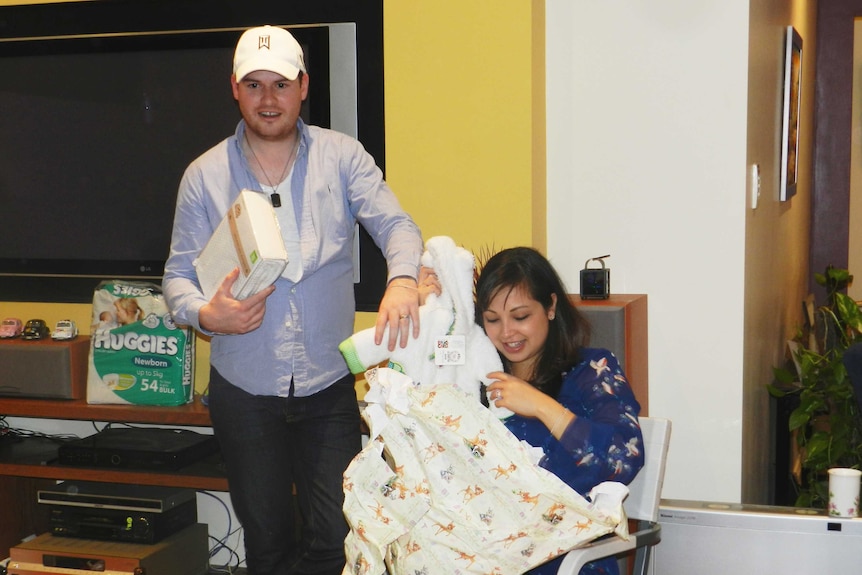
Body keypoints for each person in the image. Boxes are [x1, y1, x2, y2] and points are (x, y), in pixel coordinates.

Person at [162, 25, 424, 575]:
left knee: (335, 538)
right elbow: (178, 278)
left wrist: (401, 280)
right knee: (269, 544)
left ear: (303, 86)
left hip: (327, 386)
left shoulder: (343, 157)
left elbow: (396, 225)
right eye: (253, 85)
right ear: (235, 89)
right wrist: (207, 314)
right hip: (244, 390)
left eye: (279, 84)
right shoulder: (204, 176)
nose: (267, 99)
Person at [475, 247, 644, 575]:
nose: (506, 332)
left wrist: (541, 406)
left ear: (551, 307)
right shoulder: (478, 381)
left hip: (570, 560)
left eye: (521, 316)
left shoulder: (592, 370)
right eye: (492, 319)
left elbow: (623, 458)